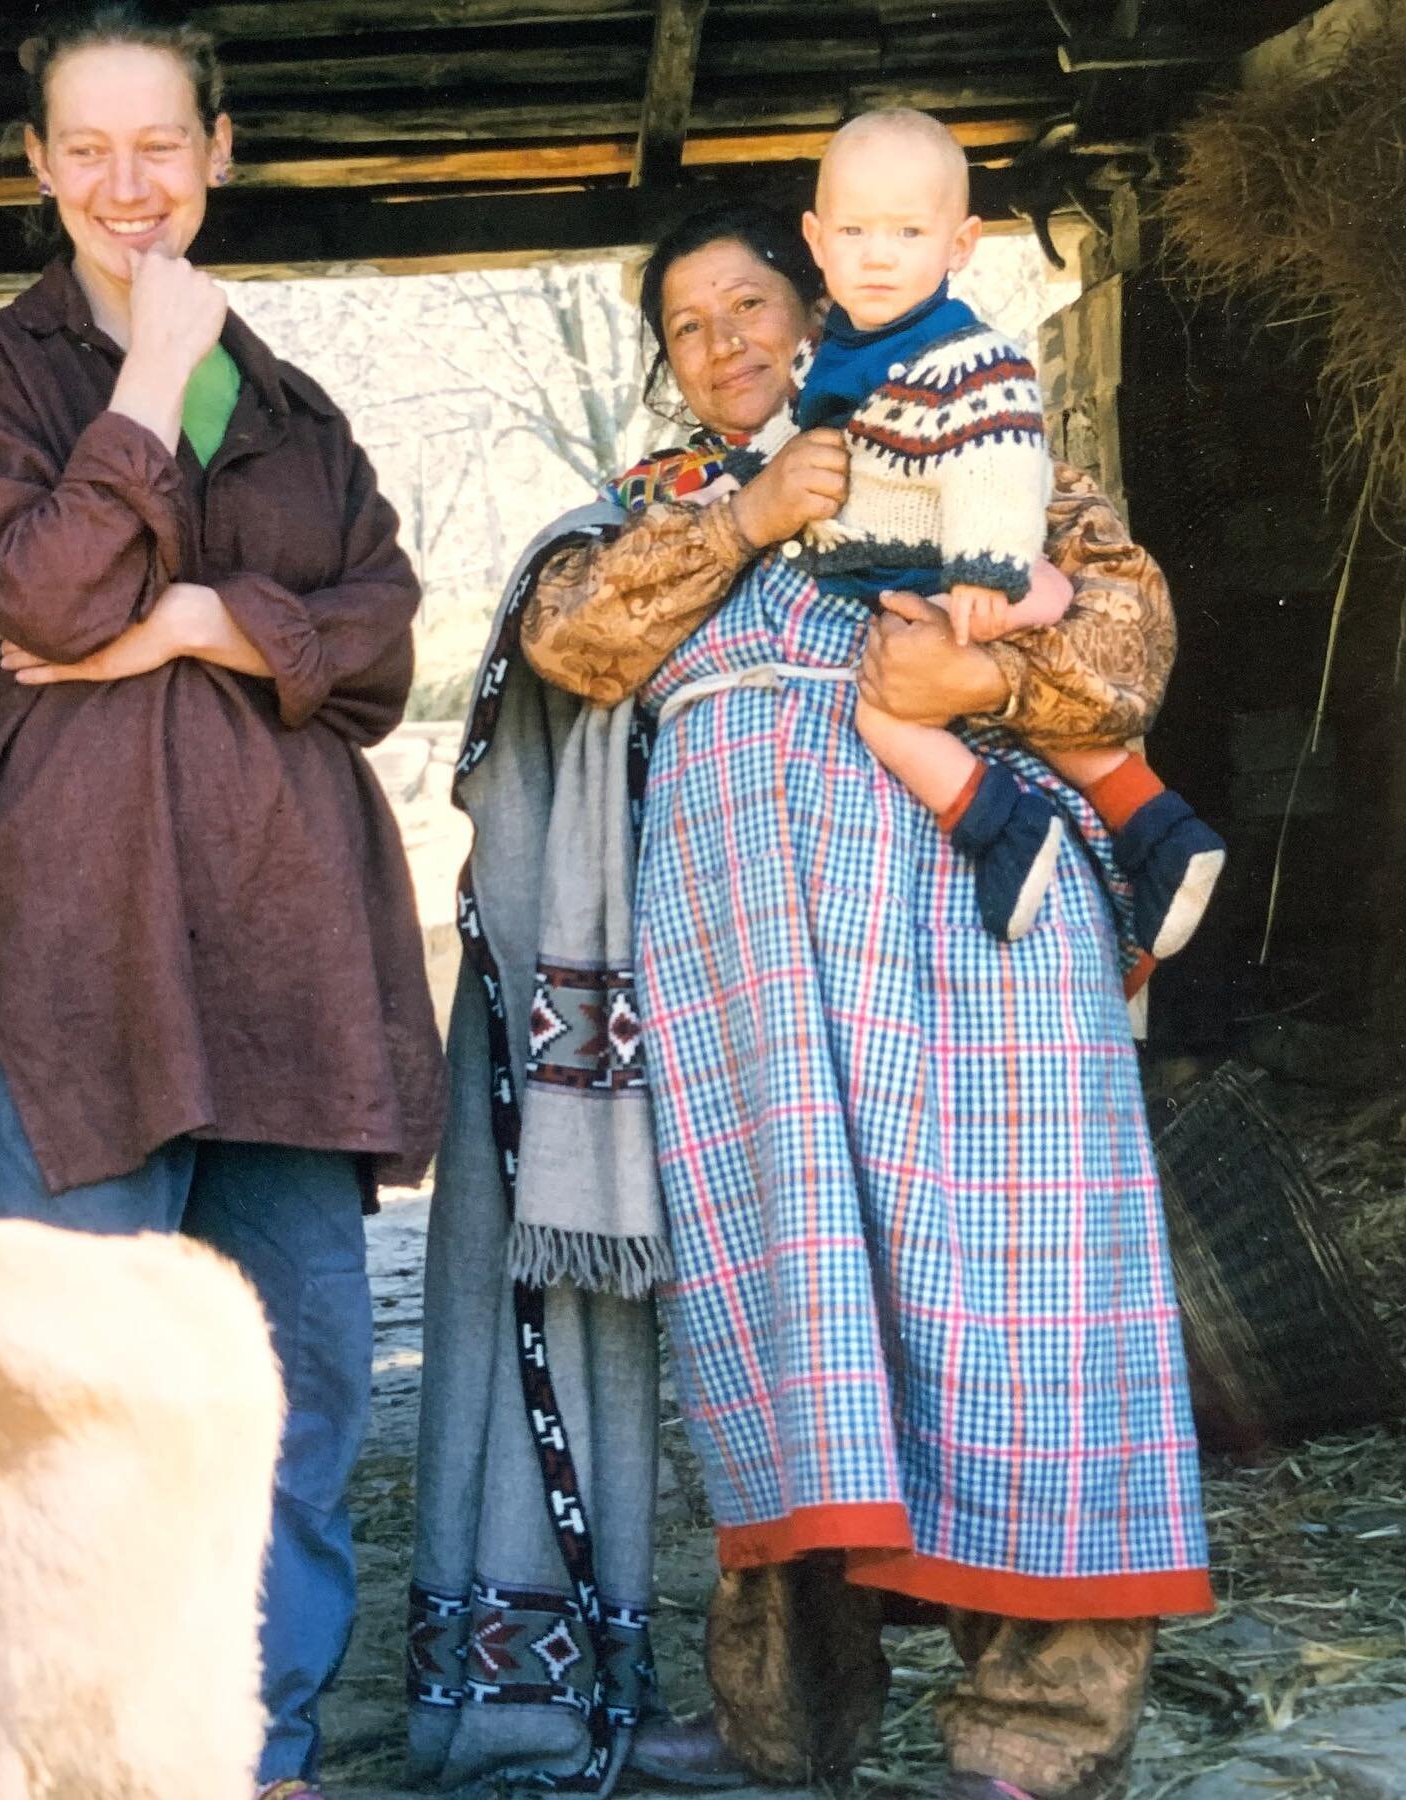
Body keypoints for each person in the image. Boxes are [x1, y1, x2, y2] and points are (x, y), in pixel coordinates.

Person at [413, 198, 1210, 1800]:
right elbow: (573, 644)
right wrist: (757, 513)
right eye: (687, 326)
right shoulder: (649, 512)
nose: (725, 344)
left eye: (750, 305)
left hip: (979, 966)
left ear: (821, 297)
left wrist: (972, 685)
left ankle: (1036, 1739)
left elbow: (1125, 641)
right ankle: (786, 1729)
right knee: (790, 1331)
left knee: (1027, 1311)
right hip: (748, 995)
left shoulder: (977, 446)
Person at [0, 11, 441, 1799]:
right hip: (77, 956)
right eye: (86, 150)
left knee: (290, 1401)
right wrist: (148, 382)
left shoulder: (303, 411)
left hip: (288, 959)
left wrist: (201, 625)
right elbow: (50, 594)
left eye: (159, 144)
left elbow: (387, 630)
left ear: (220, 148)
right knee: (70, 1408)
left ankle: (271, 1760)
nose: (127, 184)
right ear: (36, 170)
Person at [727, 110, 1225, 955]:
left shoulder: (967, 355)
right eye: (854, 230)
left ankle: (1003, 830)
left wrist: (987, 573)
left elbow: (1000, 453)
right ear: (816, 239)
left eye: (907, 231)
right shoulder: (830, 354)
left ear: (958, 246)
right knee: (944, 700)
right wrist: (756, 481)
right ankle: (1156, 827)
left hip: (951, 572)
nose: (878, 254)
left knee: (886, 711)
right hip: (912, 574)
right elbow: (807, 438)